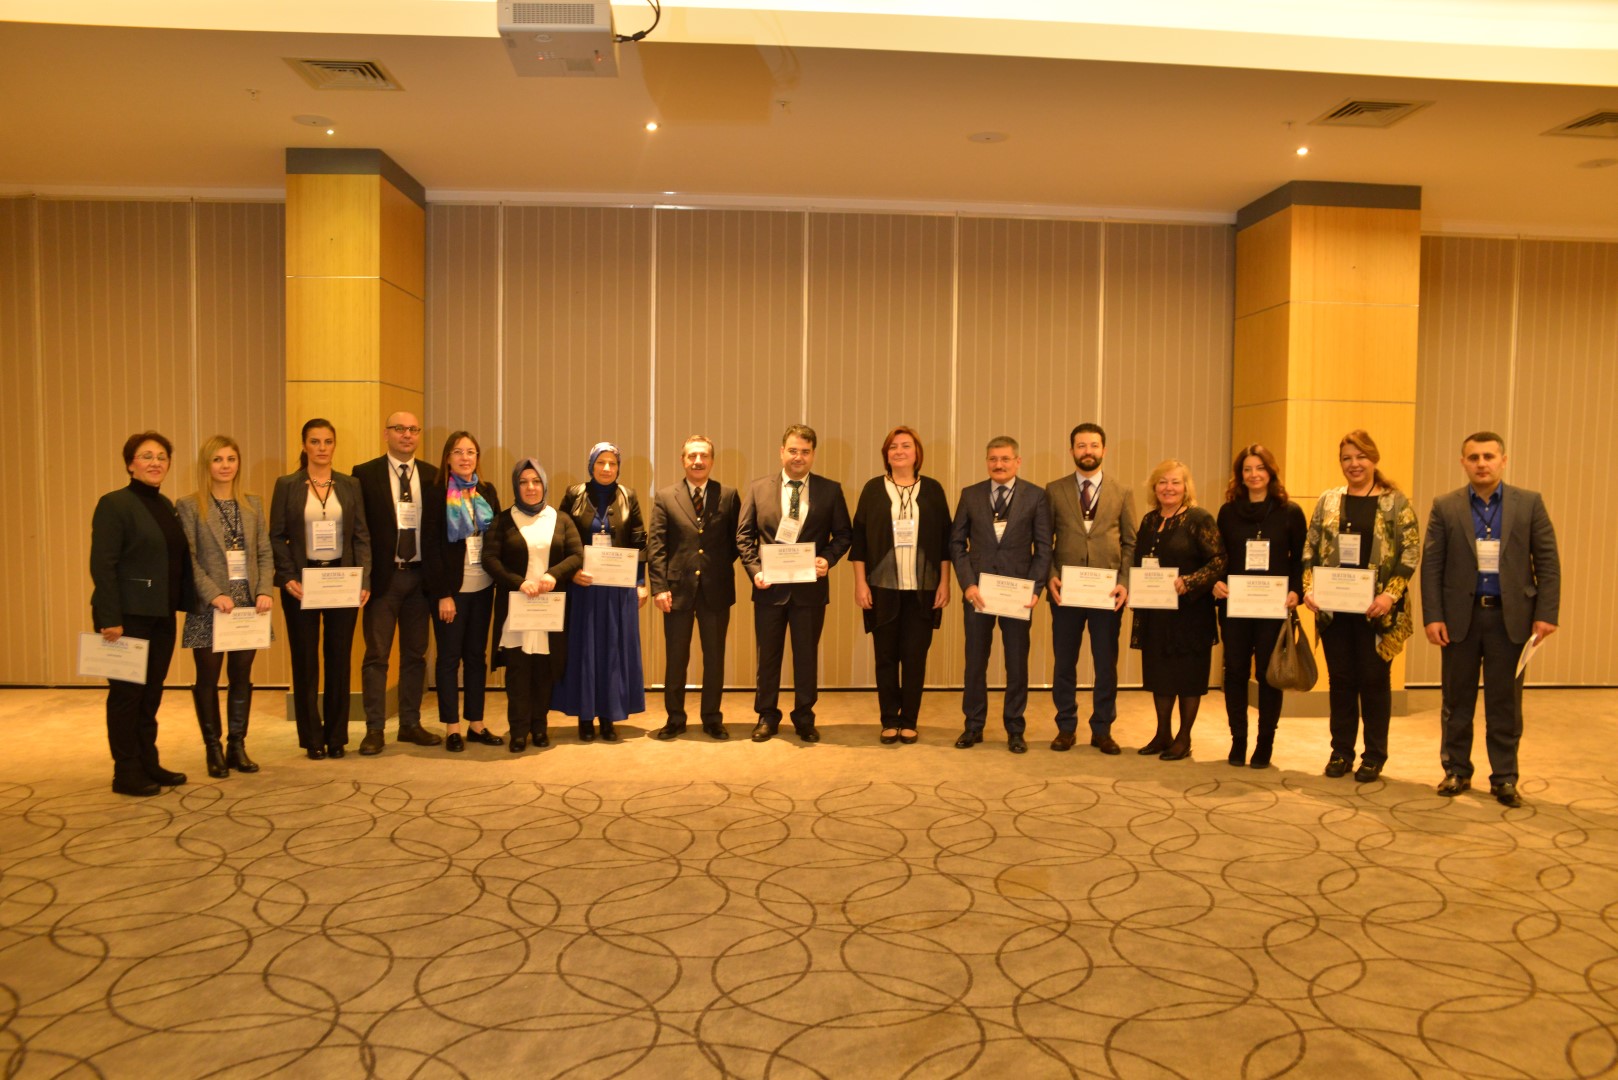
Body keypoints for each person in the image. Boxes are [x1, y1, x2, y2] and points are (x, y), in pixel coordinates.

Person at [1421, 431, 1560, 808]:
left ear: (1503, 460)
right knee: (1456, 701)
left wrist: (1546, 613)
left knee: (1505, 704)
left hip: (1510, 620)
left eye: (1488, 456)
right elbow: (1432, 566)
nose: (1481, 463)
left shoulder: (1529, 503)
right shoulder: (1445, 506)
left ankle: (1504, 777)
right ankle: (1456, 770)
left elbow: (1547, 562)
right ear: (1463, 463)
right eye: (1473, 457)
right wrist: (1433, 616)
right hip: (1459, 620)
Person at [1302, 430, 1420, 782]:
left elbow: (1410, 552)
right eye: (1347, 458)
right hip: (1334, 611)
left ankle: (1374, 755)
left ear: (1374, 459)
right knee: (1340, 681)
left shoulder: (1395, 502)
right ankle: (1341, 752)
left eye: (1360, 457)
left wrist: (1389, 596)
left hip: (1377, 611)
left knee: (1374, 681)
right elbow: (1309, 548)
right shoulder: (1328, 500)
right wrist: (1309, 588)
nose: (1354, 464)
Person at [90, 431, 193, 796]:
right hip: (126, 617)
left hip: (161, 613)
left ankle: (149, 761)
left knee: (151, 695)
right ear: (130, 464)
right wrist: (109, 618)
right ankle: (126, 771)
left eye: (162, 456)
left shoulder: (164, 504)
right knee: (126, 696)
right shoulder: (114, 503)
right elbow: (103, 565)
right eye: (146, 456)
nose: (155, 462)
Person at [737, 424, 853, 744]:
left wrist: (827, 559)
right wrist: (755, 571)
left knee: (806, 657)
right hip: (768, 589)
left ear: (813, 455)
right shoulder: (758, 489)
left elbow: (844, 534)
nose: (798, 457)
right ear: (781, 452)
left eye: (805, 451)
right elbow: (744, 536)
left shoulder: (830, 490)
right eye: (792, 450)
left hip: (809, 591)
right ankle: (767, 716)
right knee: (768, 657)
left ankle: (804, 716)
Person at [269, 418, 372, 760]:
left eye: (328, 441)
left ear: (334, 445)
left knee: (339, 661)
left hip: (342, 580)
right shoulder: (287, 485)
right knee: (305, 662)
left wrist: (364, 579)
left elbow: (361, 536)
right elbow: (276, 535)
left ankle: (337, 737)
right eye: (315, 441)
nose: (322, 448)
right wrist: (287, 576)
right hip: (302, 583)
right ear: (304, 445)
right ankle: (312, 738)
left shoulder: (349, 485)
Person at [176, 435, 276, 778]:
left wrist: (264, 590)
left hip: (248, 606)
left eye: (231, 459)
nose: (225, 466)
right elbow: (188, 559)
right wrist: (212, 593)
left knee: (241, 677)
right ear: (207, 465)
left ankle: (237, 745)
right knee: (207, 678)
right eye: (217, 459)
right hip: (210, 607)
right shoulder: (189, 506)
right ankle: (213, 748)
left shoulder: (253, 504)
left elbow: (264, 552)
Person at [949, 436, 1052, 753]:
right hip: (978, 593)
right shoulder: (970, 494)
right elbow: (956, 544)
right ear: (986, 462)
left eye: (1005, 459)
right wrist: (967, 584)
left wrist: (1035, 588)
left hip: (1018, 595)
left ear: (1017, 462)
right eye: (993, 459)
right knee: (975, 662)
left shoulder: (1036, 496)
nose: (999, 464)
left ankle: (1015, 728)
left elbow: (1044, 548)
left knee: (1017, 664)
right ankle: (973, 726)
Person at [850, 426, 952, 744]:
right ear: (886, 454)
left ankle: (909, 719)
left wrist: (945, 582)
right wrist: (860, 584)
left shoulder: (933, 490)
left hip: (923, 588)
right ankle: (889, 719)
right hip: (882, 588)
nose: (899, 451)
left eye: (906, 446)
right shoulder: (872, 489)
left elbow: (945, 542)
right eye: (893, 447)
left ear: (916, 452)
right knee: (885, 657)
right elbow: (859, 541)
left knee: (914, 657)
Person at [353, 411, 442, 755]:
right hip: (383, 580)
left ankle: (409, 724)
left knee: (415, 655)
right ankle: (374, 729)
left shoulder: (432, 475)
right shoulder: (365, 474)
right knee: (377, 655)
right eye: (399, 429)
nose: (407, 435)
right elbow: (359, 532)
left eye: (413, 429)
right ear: (386, 433)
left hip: (420, 578)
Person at [1211, 445, 1305, 768]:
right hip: (1235, 606)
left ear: (1271, 472)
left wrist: (1297, 591)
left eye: (1260, 468)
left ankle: (1265, 742)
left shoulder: (1289, 512)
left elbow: (1300, 559)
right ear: (1240, 475)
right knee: (1235, 672)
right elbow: (1219, 557)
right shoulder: (1228, 512)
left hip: (1272, 607)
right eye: (1247, 469)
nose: (1254, 475)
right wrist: (1217, 582)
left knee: (1268, 674)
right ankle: (1238, 740)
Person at [1044, 422, 1135, 754]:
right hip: (1065, 591)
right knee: (1064, 662)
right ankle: (1065, 727)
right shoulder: (1054, 490)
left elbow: (1130, 543)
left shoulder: (1122, 492)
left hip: (1107, 594)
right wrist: (1050, 575)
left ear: (1104, 450)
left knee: (1105, 664)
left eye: (1094, 445)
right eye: (1081, 445)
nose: (1088, 451)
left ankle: (1102, 729)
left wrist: (1124, 583)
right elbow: (1044, 540)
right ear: (1071, 450)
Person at [484, 459, 584, 752]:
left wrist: (554, 574)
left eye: (536, 481)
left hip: (548, 609)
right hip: (517, 608)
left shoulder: (561, 519)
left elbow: (577, 555)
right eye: (524, 482)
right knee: (518, 671)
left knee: (544, 670)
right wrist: (518, 582)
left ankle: (539, 727)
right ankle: (518, 731)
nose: (530, 487)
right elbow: (490, 559)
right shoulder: (503, 520)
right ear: (516, 486)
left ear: (544, 485)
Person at [646, 435, 741, 741]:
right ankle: (675, 718)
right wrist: (659, 587)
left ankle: (712, 718)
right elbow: (656, 545)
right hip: (676, 591)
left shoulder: (728, 495)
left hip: (716, 590)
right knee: (676, 659)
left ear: (712, 460)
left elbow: (736, 541)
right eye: (692, 456)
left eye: (703, 456)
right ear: (682, 460)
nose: (698, 461)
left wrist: (716, 567)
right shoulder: (665, 497)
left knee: (715, 658)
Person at [1130, 460, 1226, 761]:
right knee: (1160, 675)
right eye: (1162, 482)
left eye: (1175, 482)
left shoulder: (1199, 519)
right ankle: (1162, 734)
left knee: (1187, 677)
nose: (1168, 488)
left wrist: (1191, 581)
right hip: (1157, 613)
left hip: (1190, 614)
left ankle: (1184, 738)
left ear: (1186, 487)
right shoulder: (1149, 520)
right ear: (1154, 487)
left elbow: (1219, 560)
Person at [555, 442, 649, 742]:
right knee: (584, 650)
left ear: (618, 467)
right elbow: (559, 538)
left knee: (613, 651)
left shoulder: (629, 496)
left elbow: (639, 542)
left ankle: (609, 716)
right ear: (591, 465)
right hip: (583, 586)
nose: (607, 468)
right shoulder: (574, 494)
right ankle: (585, 717)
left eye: (612, 463)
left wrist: (640, 582)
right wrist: (570, 572)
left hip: (618, 589)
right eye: (601, 462)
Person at [421, 431, 503, 753]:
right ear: (448, 458)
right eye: (458, 452)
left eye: (471, 452)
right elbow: (430, 547)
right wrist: (443, 593)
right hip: (451, 592)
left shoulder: (487, 491)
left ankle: (476, 723)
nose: (465, 458)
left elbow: (496, 538)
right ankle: (452, 727)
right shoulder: (436, 493)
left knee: (476, 658)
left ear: (477, 457)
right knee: (448, 658)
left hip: (483, 587)